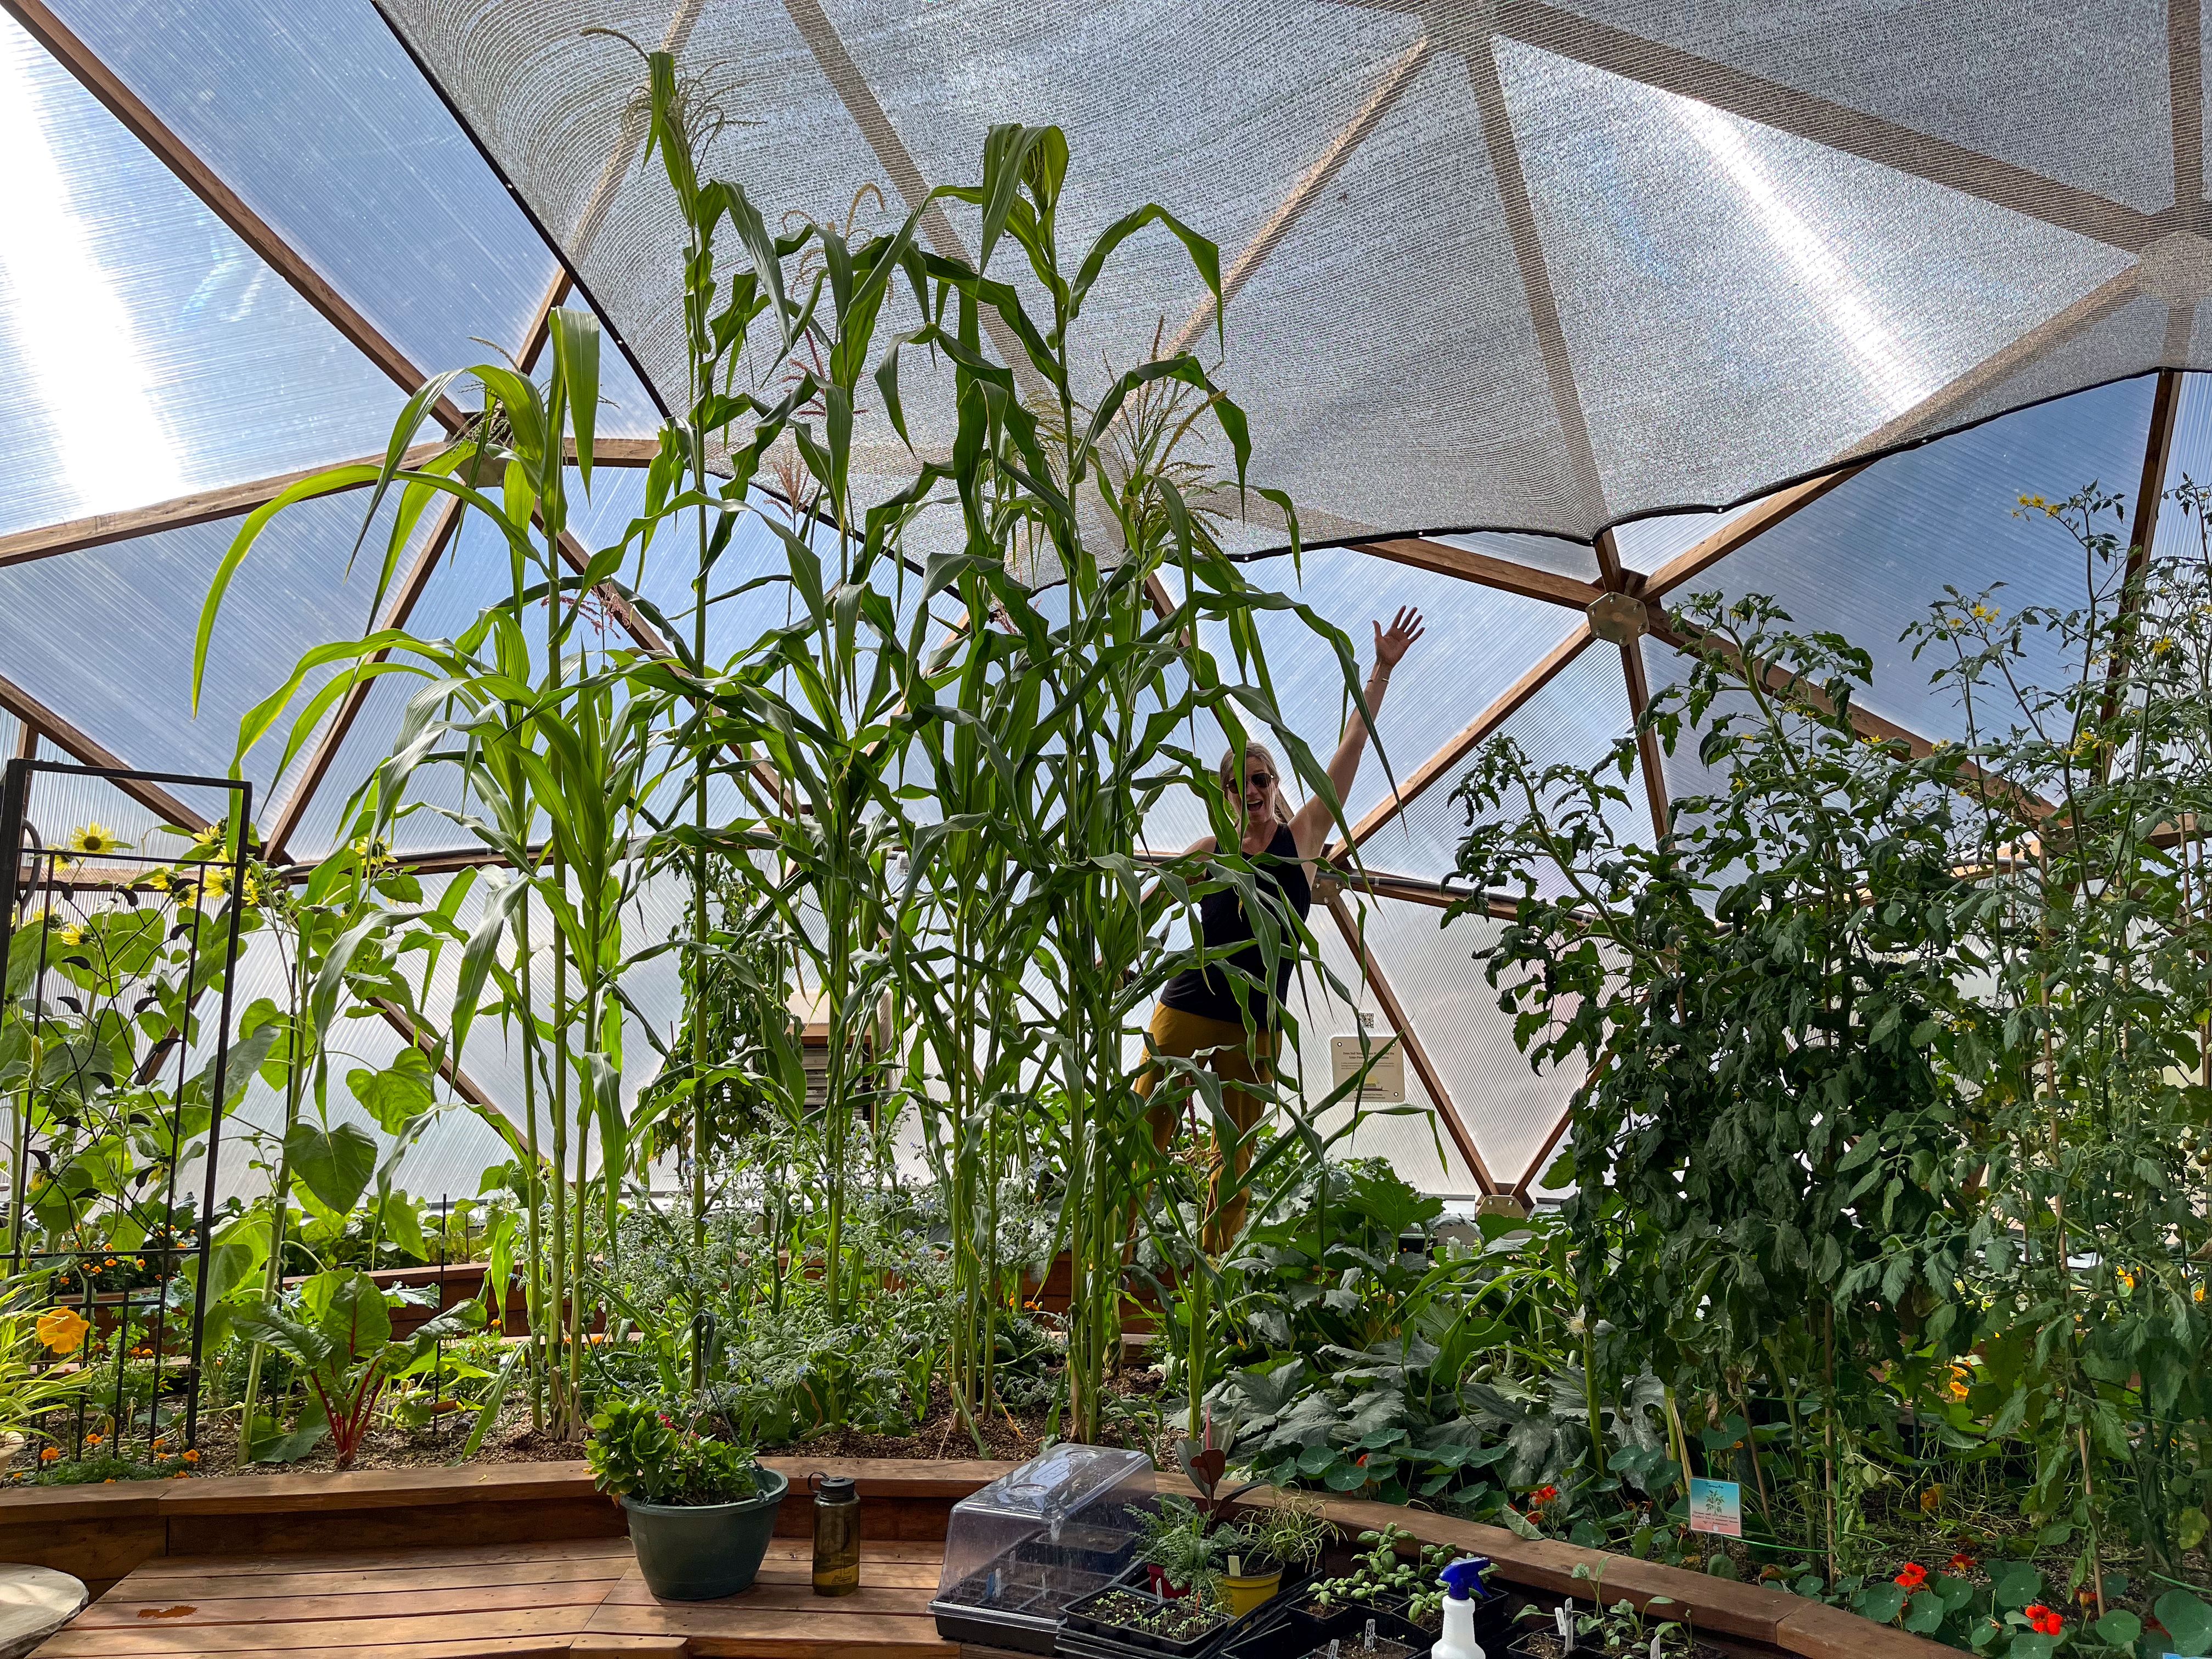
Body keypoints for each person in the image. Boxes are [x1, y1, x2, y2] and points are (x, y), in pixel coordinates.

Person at [1138, 606, 1425, 1249]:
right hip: (1184, 1010)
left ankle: (1208, 1290)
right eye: (1239, 785)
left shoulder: (1304, 841)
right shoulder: (1211, 850)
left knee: (1234, 1161)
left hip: (1256, 1025)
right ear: (1226, 795)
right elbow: (1149, 905)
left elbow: (1348, 753)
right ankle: (1113, 1268)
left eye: (1261, 779)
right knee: (1142, 1134)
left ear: (1277, 782)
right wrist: (1115, 961)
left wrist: (1379, 669)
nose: (1253, 792)